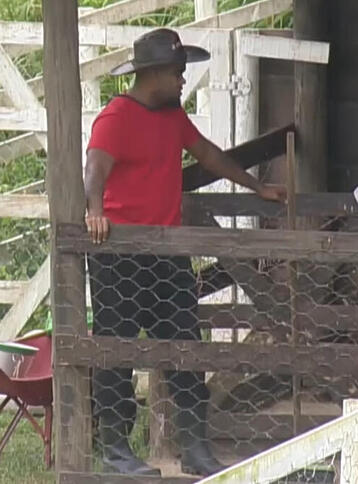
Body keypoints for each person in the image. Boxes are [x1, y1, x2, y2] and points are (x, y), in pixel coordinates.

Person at [83, 28, 286, 477]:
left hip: (169, 251)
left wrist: (258, 187)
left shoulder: (172, 117)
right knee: (116, 350)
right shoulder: (116, 116)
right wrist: (95, 211)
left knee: (185, 347)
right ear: (152, 73)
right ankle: (116, 448)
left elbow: (209, 155)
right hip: (118, 254)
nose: (182, 80)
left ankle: (195, 446)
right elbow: (95, 166)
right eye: (177, 72)